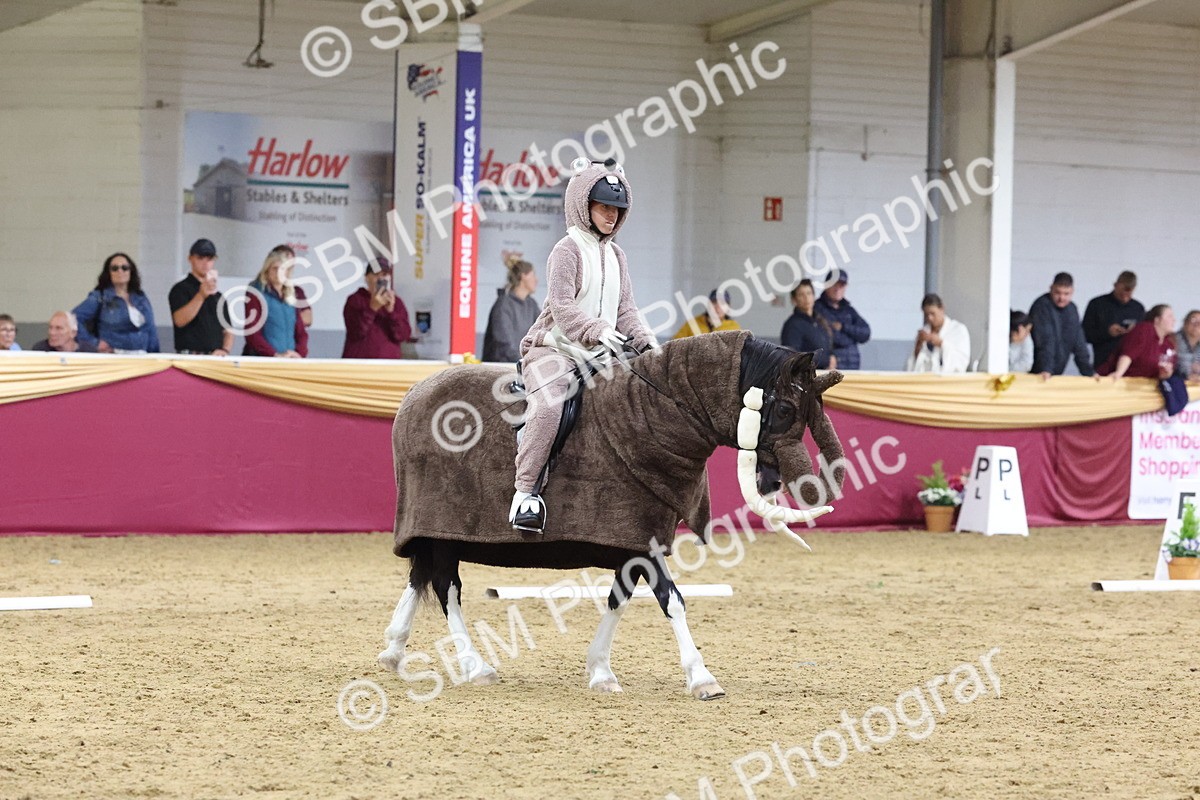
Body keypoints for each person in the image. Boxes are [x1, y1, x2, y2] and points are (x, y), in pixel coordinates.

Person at [510, 157, 656, 532]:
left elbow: (627, 310)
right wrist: (596, 329)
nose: (611, 214)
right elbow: (561, 305)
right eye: (604, 206)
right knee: (549, 405)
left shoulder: (617, 255)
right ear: (583, 204)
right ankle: (525, 495)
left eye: (617, 208)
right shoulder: (566, 250)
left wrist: (650, 345)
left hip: (598, 354)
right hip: (553, 349)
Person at [72, 253, 159, 353]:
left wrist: (156, 356)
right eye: (114, 268)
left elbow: (151, 330)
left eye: (125, 267)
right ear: (108, 273)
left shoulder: (141, 297)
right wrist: (94, 343)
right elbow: (73, 318)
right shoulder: (100, 297)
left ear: (131, 271)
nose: (120, 271)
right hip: (114, 355)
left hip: (142, 356)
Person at [169, 238, 233, 355]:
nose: (205, 263)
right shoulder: (180, 289)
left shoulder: (219, 297)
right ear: (190, 259)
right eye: (200, 258)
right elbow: (179, 320)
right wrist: (201, 295)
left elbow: (228, 330)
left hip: (215, 357)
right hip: (190, 356)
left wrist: (225, 350)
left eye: (209, 259)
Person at [341, 257, 412, 359]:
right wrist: (372, 308)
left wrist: (391, 312)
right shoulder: (355, 300)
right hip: (360, 366)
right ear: (366, 278)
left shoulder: (396, 302)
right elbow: (356, 332)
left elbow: (403, 335)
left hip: (389, 367)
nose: (380, 279)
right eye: (375, 274)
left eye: (384, 275)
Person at [243, 249, 308, 358]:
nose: (279, 273)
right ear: (267, 270)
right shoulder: (256, 295)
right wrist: (274, 354)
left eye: (282, 269)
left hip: (290, 361)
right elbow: (252, 334)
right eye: (275, 268)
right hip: (264, 361)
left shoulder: (291, 297)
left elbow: (301, 333)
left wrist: (299, 354)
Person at [1028, 272, 1094, 377]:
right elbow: (1044, 341)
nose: (1061, 298)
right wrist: (1045, 368)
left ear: (1072, 292)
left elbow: (1079, 343)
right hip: (1038, 372)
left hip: (1057, 371)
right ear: (1051, 288)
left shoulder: (1072, 309)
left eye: (1066, 294)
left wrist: (1089, 372)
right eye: (1057, 293)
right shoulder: (1041, 307)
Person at [482, 255, 540, 362]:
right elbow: (503, 343)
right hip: (501, 367)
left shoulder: (532, 305)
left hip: (522, 365)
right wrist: (523, 362)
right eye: (533, 275)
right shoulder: (503, 305)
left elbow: (541, 331)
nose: (536, 280)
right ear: (523, 276)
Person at [1083, 270, 1145, 368]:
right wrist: (1107, 332)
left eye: (1128, 295)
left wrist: (1134, 332)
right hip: (1103, 363)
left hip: (1130, 365)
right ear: (1115, 285)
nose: (1125, 298)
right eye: (1121, 294)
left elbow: (1144, 339)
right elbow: (1085, 335)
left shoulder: (1138, 308)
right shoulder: (1097, 304)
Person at [1096, 304, 1177, 380]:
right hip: (1120, 380)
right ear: (1157, 319)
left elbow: (1165, 370)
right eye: (1170, 316)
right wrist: (1119, 372)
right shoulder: (1144, 330)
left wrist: (1166, 374)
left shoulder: (1168, 344)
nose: (1174, 320)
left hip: (1144, 387)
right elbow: (1128, 353)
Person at [814, 269, 870, 369]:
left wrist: (843, 327)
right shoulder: (817, 309)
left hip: (853, 367)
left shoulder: (849, 310)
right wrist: (852, 339)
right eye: (834, 284)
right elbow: (833, 338)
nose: (837, 289)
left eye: (841, 285)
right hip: (830, 367)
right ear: (826, 285)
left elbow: (865, 333)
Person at [905, 293, 971, 373]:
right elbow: (911, 365)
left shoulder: (958, 330)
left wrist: (941, 343)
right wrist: (918, 345)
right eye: (926, 315)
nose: (930, 318)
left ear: (942, 309)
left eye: (933, 314)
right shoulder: (924, 331)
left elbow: (961, 360)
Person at [780, 279, 836, 369]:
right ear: (794, 299)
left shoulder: (820, 321)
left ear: (814, 296)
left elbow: (827, 346)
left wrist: (832, 357)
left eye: (809, 293)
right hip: (806, 377)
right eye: (801, 295)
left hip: (824, 373)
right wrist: (826, 360)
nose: (806, 298)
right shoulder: (793, 325)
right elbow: (792, 358)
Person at [268, 244, 312, 328]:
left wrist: (282, 318)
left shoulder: (297, 291)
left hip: (292, 340)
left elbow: (308, 318)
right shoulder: (261, 290)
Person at [673, 289, 741, 339]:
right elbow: (674, 345)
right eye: (714, 302)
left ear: (728, 308)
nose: (718, 307)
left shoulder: (734, 327)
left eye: (722, 303)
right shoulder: (692, 324)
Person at [31, 311, 96, 352]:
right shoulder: (40, 350)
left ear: (73, 333)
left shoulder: (88, 352)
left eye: (58, 328)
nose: (52, 333)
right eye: (50, 328)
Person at [1176, 310, 1200, 383]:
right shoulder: (1174, 340)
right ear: (1185, 323)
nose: (1197, 324)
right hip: (1177, 381)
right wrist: (1188, 374)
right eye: (1193, 320)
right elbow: (1177, 364)